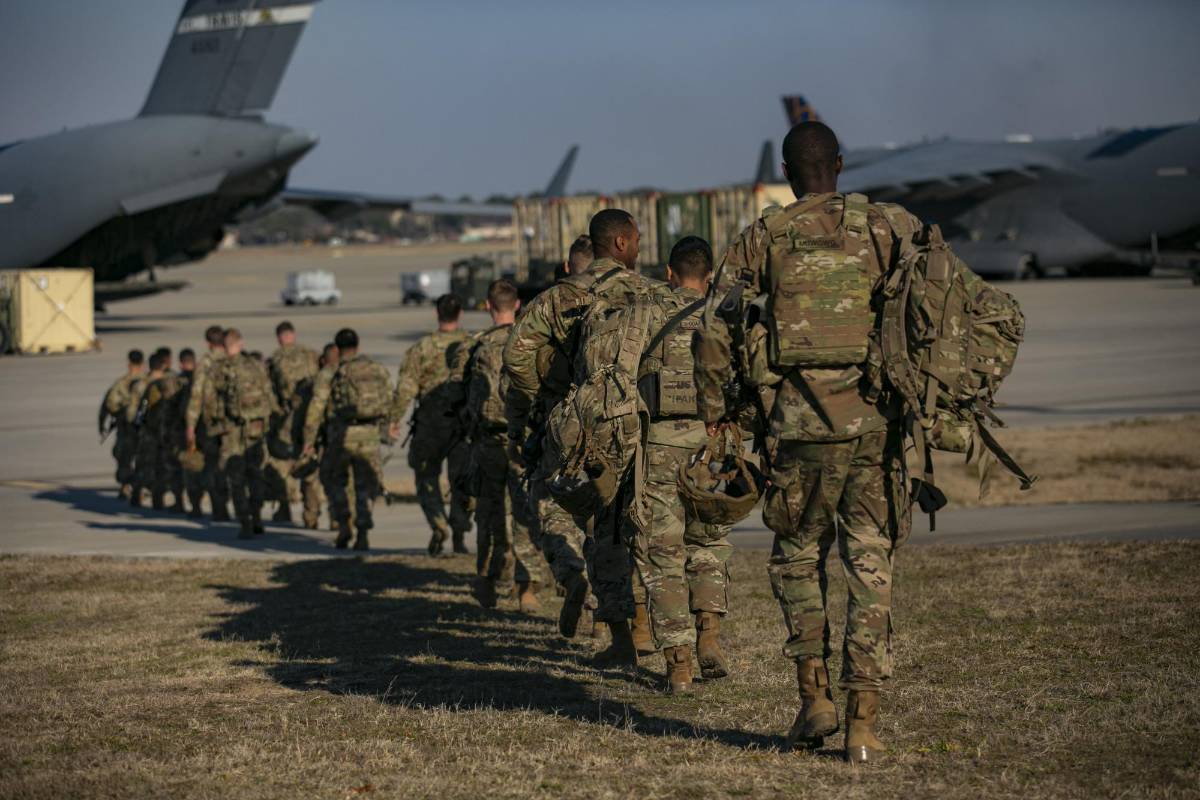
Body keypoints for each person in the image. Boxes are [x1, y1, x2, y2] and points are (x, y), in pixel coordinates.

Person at [694, 121, 920, 763]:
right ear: (841, 165)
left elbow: (714, 328)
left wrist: (718, 412)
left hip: (797, 427)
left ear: (789, 175)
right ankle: (863, 723)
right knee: (869, 562)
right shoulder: (887, 228)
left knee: (797, 556)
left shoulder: (764, 237)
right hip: (876, 425)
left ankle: (813, 696)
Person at [504, 208, 656, 665]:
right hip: (646, 426)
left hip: (582, 430)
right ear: (624, 244)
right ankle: (648, 622)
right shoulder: (651, 293)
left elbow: (516, 357)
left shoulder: (559, 298)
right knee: (644, 521)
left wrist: (544, 403)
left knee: (599, 525)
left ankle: (620, 638)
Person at [628, 236, 734, 694]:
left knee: (663, 556)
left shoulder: (647, 312)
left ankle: (679, 666)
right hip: (712, 446)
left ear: (669, 273)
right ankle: (709, 632)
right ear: (709, 276)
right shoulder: (726, 315)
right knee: (708, 542)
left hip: (659, 445)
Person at [463, 279, 545, 612]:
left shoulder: (476, 347)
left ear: (487, 306)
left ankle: (487, 581)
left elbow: (463, 396)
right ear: (519, 305)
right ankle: (527, 587)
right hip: (523, 440)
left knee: (488, 513)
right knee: (525, 513)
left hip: (487, 440)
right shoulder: (529, 343)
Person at [392, 294, 474, 556]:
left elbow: (405, 389)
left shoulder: (422, 348)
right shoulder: (472, 344)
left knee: (426, 477)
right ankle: (460, 532)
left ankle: (438, 524)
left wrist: (394, 420)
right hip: (464, 424)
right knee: (461, 480)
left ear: (437, 314)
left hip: (430, 425)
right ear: (460, 313)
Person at [305, 328, 394, 551]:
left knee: (333, 480)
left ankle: (344, 524)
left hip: (340, 437)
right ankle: (363, 532)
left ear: (337, 348)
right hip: (369, 436)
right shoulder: (375, 369)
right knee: (366, 485)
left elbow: (316, 408)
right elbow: (389, 400)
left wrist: (309, 439)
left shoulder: (330, 372)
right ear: (358, 346)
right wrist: (386, 429)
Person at [210, 328, 278, 539]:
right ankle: (257, 516)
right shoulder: (257, 366)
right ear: (240, 343)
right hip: (257, 426)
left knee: (237, 478)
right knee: (256, 474)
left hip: (232, 429)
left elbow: (210, 399)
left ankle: (245, 521)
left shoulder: (221, 368)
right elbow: (269, 395)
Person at [267, 321, 322, 527]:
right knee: (309, 466)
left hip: (287, 421)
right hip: (310, 418)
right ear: (293, 334)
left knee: (282, 467)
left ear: (279, 337)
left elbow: (269, 390)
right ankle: (311, 515)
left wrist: (278, 414)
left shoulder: (275, 359)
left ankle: (284, 509)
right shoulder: (312, 355)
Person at [185, 325, 232, 521]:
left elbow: (196, 396)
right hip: (233, 424)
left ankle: (219, 508)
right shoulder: (233, 359)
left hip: (212, 425)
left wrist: (190, 425)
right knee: (231, 465)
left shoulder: (205, 363)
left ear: (208, 343)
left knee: (212, 465)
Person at [99, 349, 145, 499]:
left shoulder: (120, 384)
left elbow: (110, 404)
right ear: (143, 363)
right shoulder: (148, 381)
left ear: (129, 363)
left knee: (124, 457)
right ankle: (143, 485)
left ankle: (126, 486)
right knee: (145, 457)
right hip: (145, 429)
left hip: (126, 429)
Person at [171, 348, 205, 516]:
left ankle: (194, 506)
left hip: (188, 432)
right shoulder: (203, 380)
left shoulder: (180, 383)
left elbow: (180, 410)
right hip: (207, 432)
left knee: (189, 470)